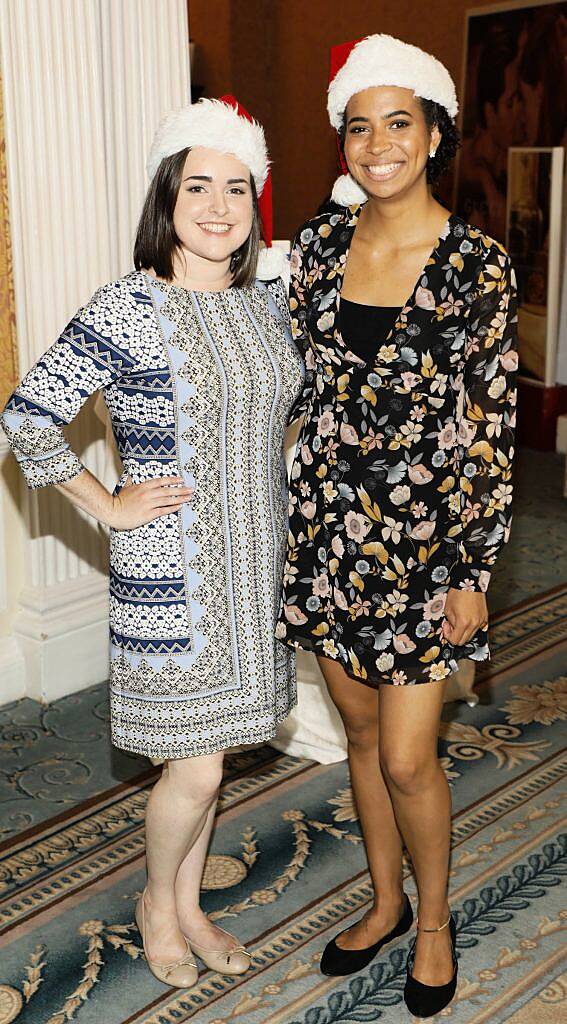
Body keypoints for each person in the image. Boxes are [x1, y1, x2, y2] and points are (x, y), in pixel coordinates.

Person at [1, 96, 303, 988]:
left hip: (256, 563)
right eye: (197, 184)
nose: (217, 205)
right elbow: (27, 418)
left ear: (255, 204)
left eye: (237, 188)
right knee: (200, 767)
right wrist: (108, 503)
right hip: (171, 573)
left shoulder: (267, 305)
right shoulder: (129, 307)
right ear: (166, 197)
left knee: (208, 756)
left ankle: (188, 904)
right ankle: (156, 904)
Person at [276, 34, 517, 1018]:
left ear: (434, 134)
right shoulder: (321, 247)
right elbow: (283, 374)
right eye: (358, 126)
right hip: (330, 536)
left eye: (398, 122)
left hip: (426, 549)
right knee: (363, 732)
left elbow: (488, 429)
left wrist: (473, 569)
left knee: (412, 753)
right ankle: (382, 902)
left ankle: (433, 921)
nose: (377, 144)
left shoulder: (476, 267)